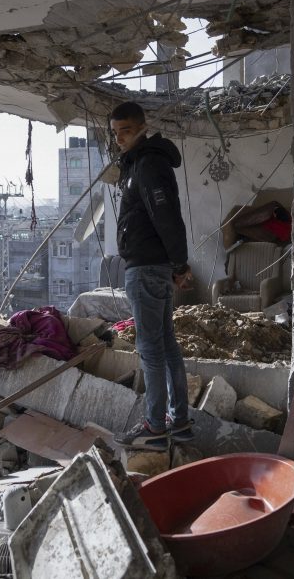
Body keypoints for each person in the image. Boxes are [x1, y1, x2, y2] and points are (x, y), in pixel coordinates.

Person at [109, 101, 194, 452]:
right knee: (166, 345)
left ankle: (155, 427)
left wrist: (180, 264)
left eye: (126, 131)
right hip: (152, 267)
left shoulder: (147, 165)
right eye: (115, 133)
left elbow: (166, 216)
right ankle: (180, 421)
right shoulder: (140, 164)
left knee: (151, 350)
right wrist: (175, 264)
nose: (119, 139)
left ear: (142, 128)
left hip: (146, 269)